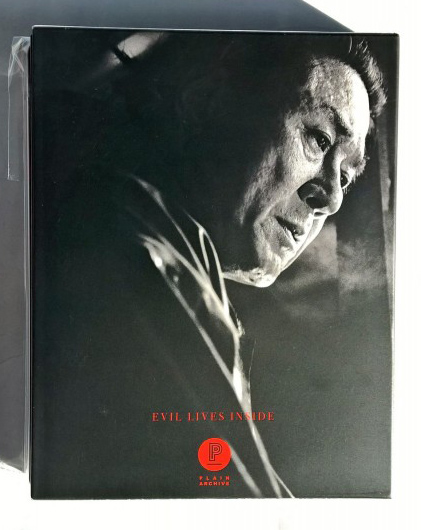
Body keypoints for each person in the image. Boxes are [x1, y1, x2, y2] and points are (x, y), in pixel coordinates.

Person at [31, 31, 386, 499]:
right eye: (319, 139)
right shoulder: (128, 232)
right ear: (210, 101)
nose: (333, 198)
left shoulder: (180, 259)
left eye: (345, 175)